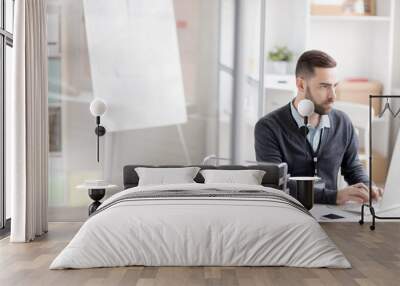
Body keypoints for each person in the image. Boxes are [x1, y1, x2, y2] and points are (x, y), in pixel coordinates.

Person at [254, 50, 383, 205]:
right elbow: (275, 184)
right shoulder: (268, 127)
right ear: (301, 84)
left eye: (334, 86)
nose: (333, 96)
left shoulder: (343, 122)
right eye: (324, 87)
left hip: (332, 214)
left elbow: (353, 168)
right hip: (289, 212)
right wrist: (334, 196)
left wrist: (367, 187)